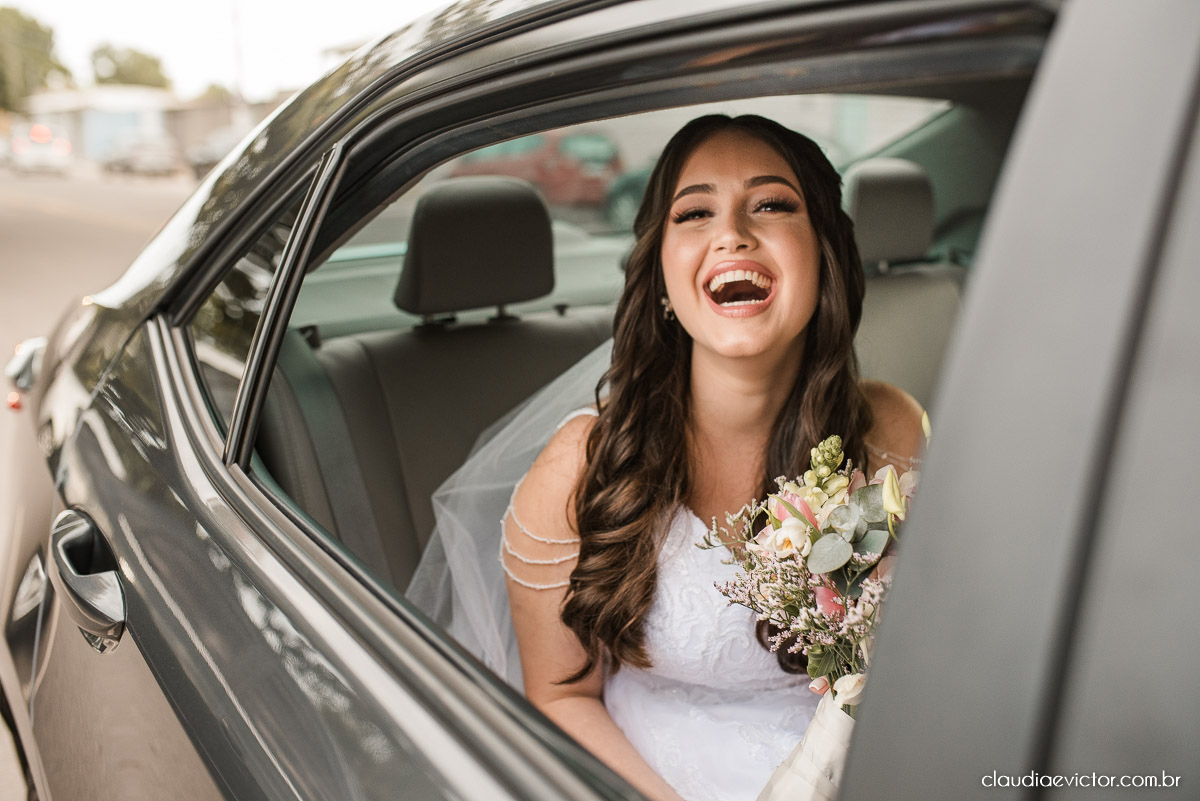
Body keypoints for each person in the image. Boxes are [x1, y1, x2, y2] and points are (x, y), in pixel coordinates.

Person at [444, 114, 925, 801]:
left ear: (824, 257)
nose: (732, 232)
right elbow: (556, 693)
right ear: (662, 275)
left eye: (771, 204)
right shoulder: (581, 469)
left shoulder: (889, 431)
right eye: (694, 212)